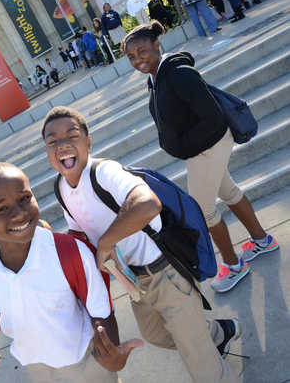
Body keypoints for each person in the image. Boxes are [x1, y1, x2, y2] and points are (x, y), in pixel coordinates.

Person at [42, 105, 242, 383]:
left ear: (87, 141)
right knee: (156, 335)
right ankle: (219, 333)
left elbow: (147, 203)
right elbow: (79, 232)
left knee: (199, 360)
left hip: (165, 272)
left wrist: (107, 243)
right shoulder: (62, 188)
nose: (62, 145)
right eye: (52, 141)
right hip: (133, 279)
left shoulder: (104, 172)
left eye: (71, 136)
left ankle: (211, 355)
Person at [0, 162, 143, 381]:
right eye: (1, 209)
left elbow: (101, 310)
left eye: (25, 198)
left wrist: (112, 354)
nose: (19, 213)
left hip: (83, 360)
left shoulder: (70, 252)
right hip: (35, 363)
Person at [122, 21, 279, 293]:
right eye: (132, 56)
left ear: (157, 45)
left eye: (143, 51)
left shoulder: (179, 74)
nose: (138, 60)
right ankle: (262, 240)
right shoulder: (156, 77)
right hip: (203, 148)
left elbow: (212, 118)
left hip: (207, 147)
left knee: (202, 211)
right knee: (229, 192)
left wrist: (185, 147)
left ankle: (233, 265)